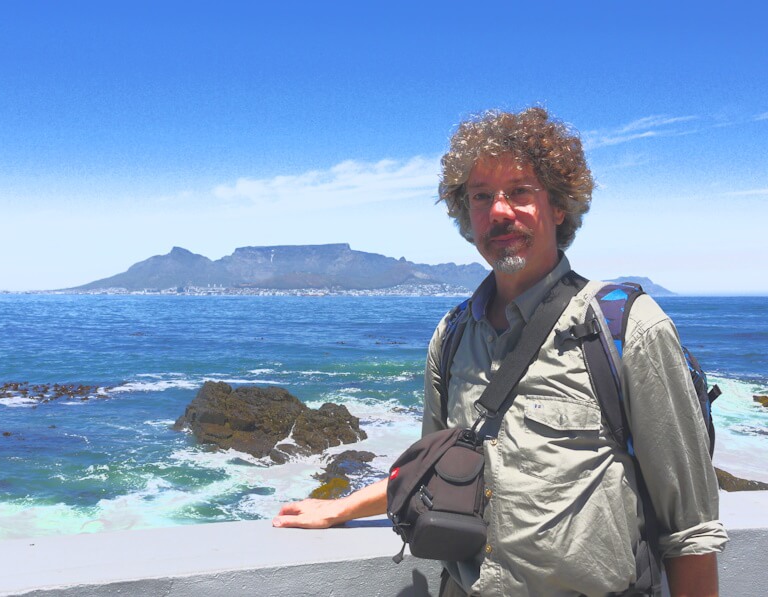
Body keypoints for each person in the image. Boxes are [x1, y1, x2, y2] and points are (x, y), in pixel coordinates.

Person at [273, 107, 728, 596]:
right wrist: (342, 506)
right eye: (482, 196)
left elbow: (692, 530)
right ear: (466, 217)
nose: (500, 210)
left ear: (558, 206)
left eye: (520, 191)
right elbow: (432, 467)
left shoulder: (624, 327)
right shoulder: (451, 336)